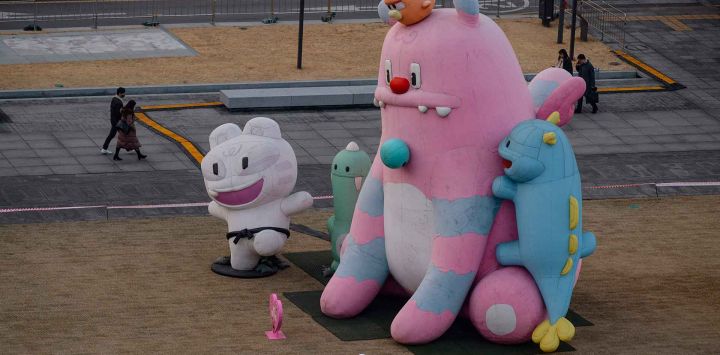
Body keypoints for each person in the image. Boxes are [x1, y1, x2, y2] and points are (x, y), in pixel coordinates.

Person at [101, 87, 126, 154]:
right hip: (117, 122)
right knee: (125, 133)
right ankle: (131, 147)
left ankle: (104, 148)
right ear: (120, 93)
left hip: (113, 120)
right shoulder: (119, 102)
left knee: (112, 135)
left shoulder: (114, 99)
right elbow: (118, 113)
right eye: (123, 93)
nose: (124, 94)